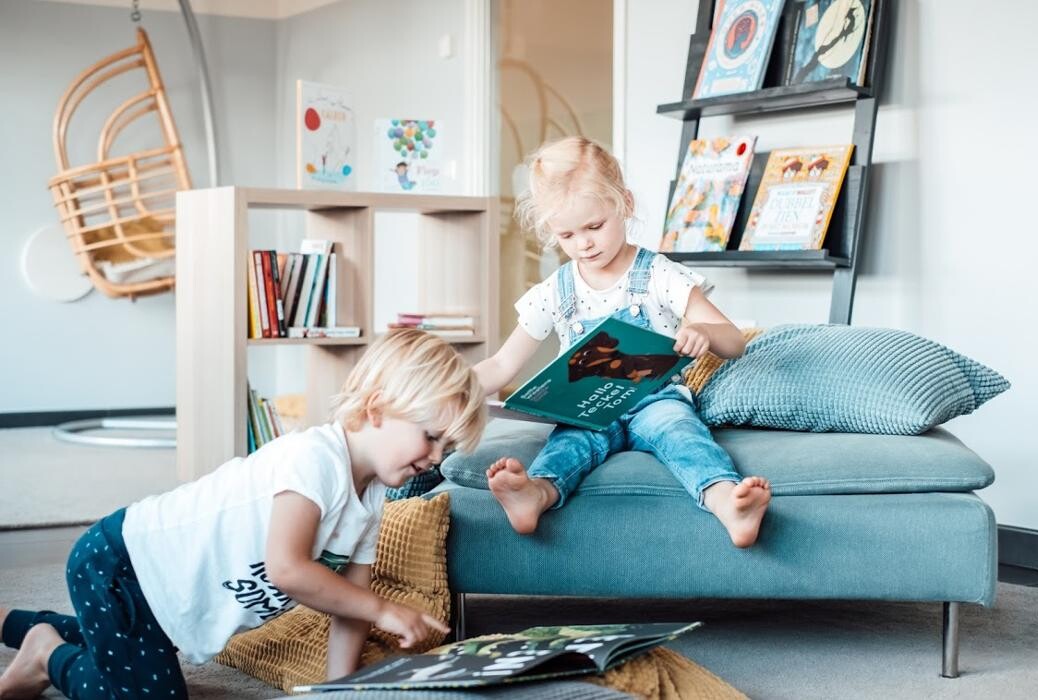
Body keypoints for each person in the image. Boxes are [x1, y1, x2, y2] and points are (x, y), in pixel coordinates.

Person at [0, 329, 486, 700]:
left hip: (165, 604)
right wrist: (384, 609)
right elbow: (287, 569)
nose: (436, 458)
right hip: (121, 566)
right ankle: (46, 654)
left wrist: (337, 689)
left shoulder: (373, 497)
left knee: (117, 639)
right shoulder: (315, 460)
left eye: (446, 447)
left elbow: (349, 603)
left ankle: (10, 622)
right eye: (430, 437)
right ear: (377, 409)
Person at [473, 136, 771, 546]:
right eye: (566, 235)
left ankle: (727, 502)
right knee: (568, 445)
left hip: (656, 401)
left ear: (625, 204)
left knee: (682, 435)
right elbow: (502, 365)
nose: (583, 244)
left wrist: (704, 331)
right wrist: (452, 390)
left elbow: (734, 342)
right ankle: (534, 494)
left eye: (594, 227)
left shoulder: (659, 274)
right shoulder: (554, 290)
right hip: (588, 411)